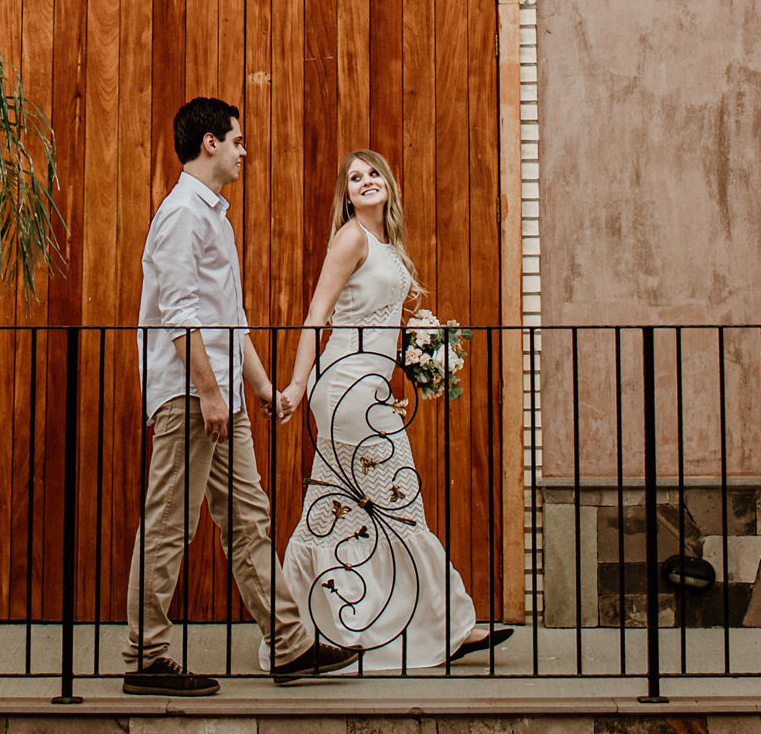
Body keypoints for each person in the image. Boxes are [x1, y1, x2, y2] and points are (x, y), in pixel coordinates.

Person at [123, 97, 363, 695]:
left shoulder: (212, 216)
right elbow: (178, 316)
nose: (243, 150)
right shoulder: (183, 213)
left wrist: (261, 388)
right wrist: (207, 393)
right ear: (210, 143)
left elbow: (230, 320)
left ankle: (289, 645)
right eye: (237, 140)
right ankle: (145, 657)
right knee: (170, 522)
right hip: (190, 398)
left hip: (219, 397)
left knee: (248, 519)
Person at [270, 149, 514, 670]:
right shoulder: (352, 236)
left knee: (334, 513)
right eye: (355, 178)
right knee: (399, 502)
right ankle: (449, 625)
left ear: (388, 184)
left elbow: (376, 320)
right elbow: (318, 314)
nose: (365, 181)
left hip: (367, 385)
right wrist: (294, 384)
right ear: (347, 195)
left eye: (373, 173)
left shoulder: (386, 244)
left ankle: (297, 633)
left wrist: (422, 353)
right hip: (347, 388)